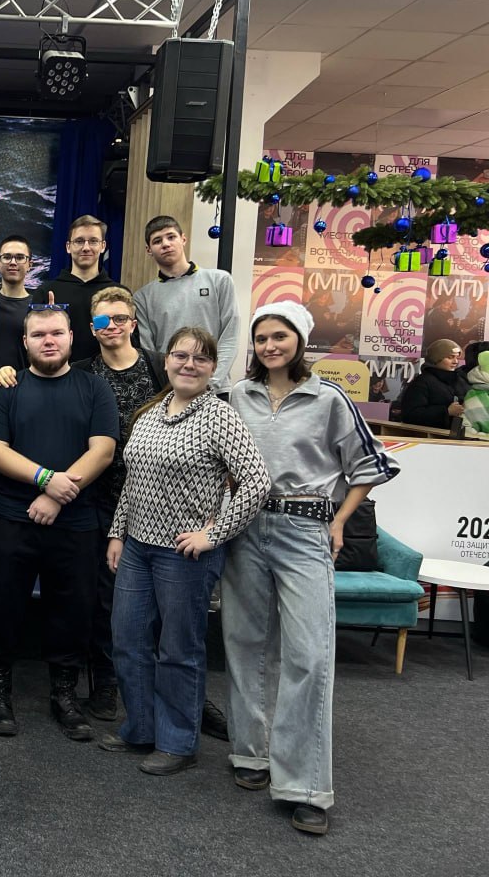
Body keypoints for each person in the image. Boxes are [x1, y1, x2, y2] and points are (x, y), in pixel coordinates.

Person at [226, 301, 399, 835]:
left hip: (304, 530)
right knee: (245, 643)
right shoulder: (238, 396)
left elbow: (370, 465)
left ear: (299, 341)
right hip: (245, 529)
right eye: (261, 338)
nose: (269, 346)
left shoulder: (329, 399)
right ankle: (251, 753)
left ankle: (303, 786)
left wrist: (341, 520)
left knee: (309, 655)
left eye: (279, 337)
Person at [102, 327, 270, 775]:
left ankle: (178, 742)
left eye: (201, 358)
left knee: (178, 649)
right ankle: (141, 728)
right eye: (180, 355)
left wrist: (214, 535)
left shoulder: (219, 416)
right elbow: (134, 480)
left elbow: (257, 482)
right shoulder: (150, 412)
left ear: (213, 367)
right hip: (137, 548)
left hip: (185, 555)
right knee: (128, 641)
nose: (189, 365)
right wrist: (118, 533)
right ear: (167, 361)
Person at [0, 305, 118, 741]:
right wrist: (45, 479)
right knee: (1, 605)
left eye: (57, 332)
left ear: (72, 337)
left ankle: (65, 693)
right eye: (38, 335)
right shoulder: (7, 387)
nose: (49, 341)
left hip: (76, 519)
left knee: (73, 608)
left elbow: (103, 451)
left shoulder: (95, 387)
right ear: (25, 342)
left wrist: (57, 494)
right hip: (11, 515)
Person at [71, 287, 167, 722]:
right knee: (103, 599)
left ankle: (171, 686)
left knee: (163, 600)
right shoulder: (81, 373)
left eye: (119, 319)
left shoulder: (160, 368)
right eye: (101, 321)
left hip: (156, 501)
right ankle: (106, 683)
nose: (110, 327)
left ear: (133, 323)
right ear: (91, 328)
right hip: (99, 500)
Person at [132, 216, 240, 396]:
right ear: (149, 250)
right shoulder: (142, 297)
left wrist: (210, 383)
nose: (166, 244)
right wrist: (171, 386)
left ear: (183, 239)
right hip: (170, 391)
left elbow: (230, 335)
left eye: (171, 237)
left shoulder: (219, 280)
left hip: (214, 390)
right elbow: (150, 352)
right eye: (157, 241)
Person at [33, 215, 130, 363]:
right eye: (79, 241)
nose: (86, 248)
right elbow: (33, 341)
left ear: (103, 246)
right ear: (68, 247)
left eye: (93, 241)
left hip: (107, 373)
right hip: (59, 372)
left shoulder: (119, 293)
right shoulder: (46, 292)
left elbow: (131, 343)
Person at [400, 338, 468, 431]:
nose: (455, 361)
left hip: (453, 436)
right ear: (436, 358)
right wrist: (446, 411)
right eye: (450, 357)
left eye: (457, 357)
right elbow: (410, 415)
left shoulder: (458, 380)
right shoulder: (422, 382)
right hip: (428, 437)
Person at [0, 235, 33, 371]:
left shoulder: (37, 307)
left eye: (20, 257)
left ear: (30, 265)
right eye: (7, 257)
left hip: (25, 381)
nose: (13, 262)